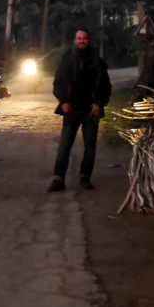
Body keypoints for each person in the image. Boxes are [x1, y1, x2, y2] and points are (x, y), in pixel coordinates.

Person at [48, 29, 111, 192]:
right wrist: (63, 102)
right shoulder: (67, 60)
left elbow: (106, 87)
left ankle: (85, 176)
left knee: (90, 147)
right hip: (72, 109)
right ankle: (58, 178)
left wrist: (99, 103)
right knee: (64, 145)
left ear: (89, 41)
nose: (81, 41)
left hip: (90, 110)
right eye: (79, 38)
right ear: (75, 40)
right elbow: (58, 84)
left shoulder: (98, 61)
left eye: (84, 38)